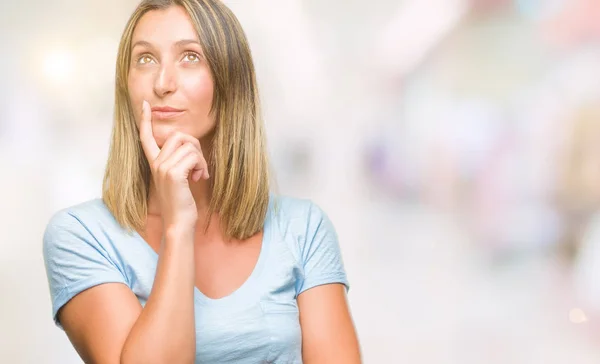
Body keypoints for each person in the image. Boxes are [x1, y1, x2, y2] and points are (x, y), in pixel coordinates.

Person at [42, 1, 361, 363]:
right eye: (145, 59)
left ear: (230, 81)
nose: (162, 84)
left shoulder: (303, 229)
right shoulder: (80, 235)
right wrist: (178, 228)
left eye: (190, 57)